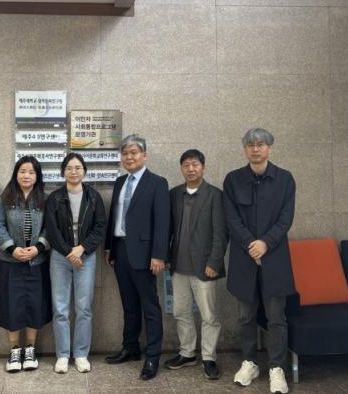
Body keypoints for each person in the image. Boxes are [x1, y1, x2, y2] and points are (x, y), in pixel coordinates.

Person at [224, 128, 296, 394]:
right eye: (251, 145)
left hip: (274, 257)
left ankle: (277, 368)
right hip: (244, 259)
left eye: (261, 144)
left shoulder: (285, 179)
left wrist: (265, 243)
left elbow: (286, 218)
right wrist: (250, 245)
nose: (256, 149)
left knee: (276, 317)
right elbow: (231, 218)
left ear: (270, 148)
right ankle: (250, 362)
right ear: (245, 149)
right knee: (246, 316)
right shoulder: (233, 180)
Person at [104, 135, 170, 381]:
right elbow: (114, 217)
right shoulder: (120, 182)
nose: (129, 157)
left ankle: (152, 356)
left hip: (145, 255)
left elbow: (163, 222)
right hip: (120, 251)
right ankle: (130, 347)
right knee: (129, 305)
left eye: (134, 152)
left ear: (144, 155)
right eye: (125, 154)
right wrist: (110, 248)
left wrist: (159, 255)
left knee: (149, 307)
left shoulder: (157, 183)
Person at [165, 149, 228, 380]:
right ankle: (187, 353)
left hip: (204, 266)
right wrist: (166, 256)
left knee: (209, 315)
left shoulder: (215, 195)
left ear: (203, 167)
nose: (191, 169)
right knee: (181, 312)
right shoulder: (174, 194)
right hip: (178, 267)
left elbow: (221, 233)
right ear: (181, 168)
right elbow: (167, 229)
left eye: (195, 164)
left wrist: (214, 262)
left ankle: (209, 357)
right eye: (186, 165)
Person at [45, 153, 107, 374]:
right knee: (60, 308)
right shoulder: (55, 198)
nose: (73, 171)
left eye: (78, 167)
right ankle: (62, 355)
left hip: (86, 257)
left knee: (84, 308)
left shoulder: (94, 197)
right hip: (60, 258)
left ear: (84, 171)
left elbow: (100, 227)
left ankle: (81, 354)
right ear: (63, 172)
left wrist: (82, 248)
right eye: (69, 168)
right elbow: (51, 230)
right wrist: (69, 252)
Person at [0, 156, 51, 373]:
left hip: (36, 261)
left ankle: (30, 349)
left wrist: (38, 247)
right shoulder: (4, 198)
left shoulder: (45, 199)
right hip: (10, 262)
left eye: (31, 172)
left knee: (35, 305)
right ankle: (14, 350)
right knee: (12, 305)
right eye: (23, 171)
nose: (26, 176)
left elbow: (50, 227)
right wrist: (12, 249)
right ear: (16, 174)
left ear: (37, 176)